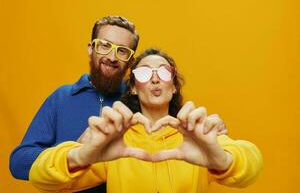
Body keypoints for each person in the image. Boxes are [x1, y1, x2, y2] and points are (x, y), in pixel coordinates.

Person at [28, 48, 263, 193]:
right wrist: (79, 155)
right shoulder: (117, 140)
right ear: (132, 88)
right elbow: (41, 177)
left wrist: (222, 159)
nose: (154, 79)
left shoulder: (197, 134)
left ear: (173, 87)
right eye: (143, 73)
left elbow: (251, 166)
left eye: (163, 72)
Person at [9, 15, 141, 193]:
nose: (112, 56)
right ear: (90, 48)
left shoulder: (139, 104)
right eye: (105, 45)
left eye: (122, 51)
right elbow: (18, 163)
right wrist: (73, 152)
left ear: (131, 61)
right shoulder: (61, 97)